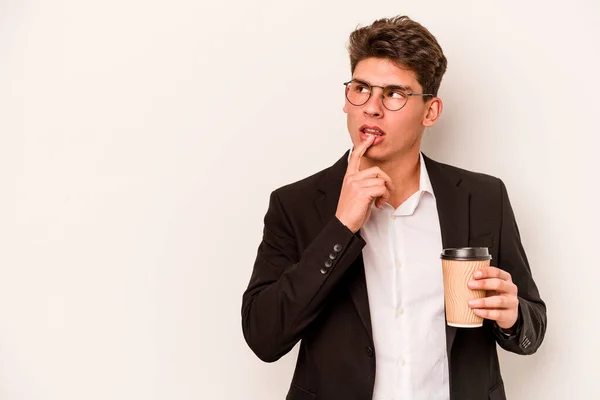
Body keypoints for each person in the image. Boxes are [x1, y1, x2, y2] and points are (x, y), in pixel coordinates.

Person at [241, 15, 546, 400]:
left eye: (395, 94)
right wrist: (341, 227)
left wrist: (513, 315)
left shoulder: (483, 198)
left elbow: (532, 326)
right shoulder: (296, 204)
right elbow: (263, 337)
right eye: (361, 89)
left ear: (431, 111)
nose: (371, 107)